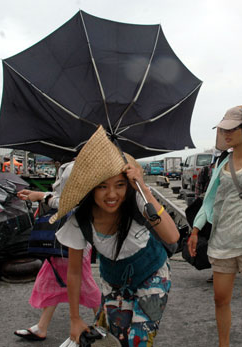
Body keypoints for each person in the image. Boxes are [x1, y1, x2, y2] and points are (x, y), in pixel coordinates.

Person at [53, 126, 180, 346]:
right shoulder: (80, 220)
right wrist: (74, 318)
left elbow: (171, 236)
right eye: (102, 187)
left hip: (153, 274)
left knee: (137, 341)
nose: (112, 195)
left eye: (120, 185)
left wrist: (143, 188)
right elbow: (74, 273)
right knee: (116, 339)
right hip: (114, 283)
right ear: (90, 189)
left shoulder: (139, 202)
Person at [188, 105, 242, 347]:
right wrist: (195, 230)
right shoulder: (222, 164)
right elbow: (210, 201)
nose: (225, 133)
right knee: (220, 300)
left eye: (231, 128)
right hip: (222, 242)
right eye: (222, 129)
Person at [14, 161, 101, 341]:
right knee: (53, 279)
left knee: (80, 281)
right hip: (66, 238)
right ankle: (42, 326)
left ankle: (103, 322)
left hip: (73, 239)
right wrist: (39, 195)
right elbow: (65, 197)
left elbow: (72, 202)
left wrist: (41, 196)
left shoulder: (78, 167)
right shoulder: (71, 166)